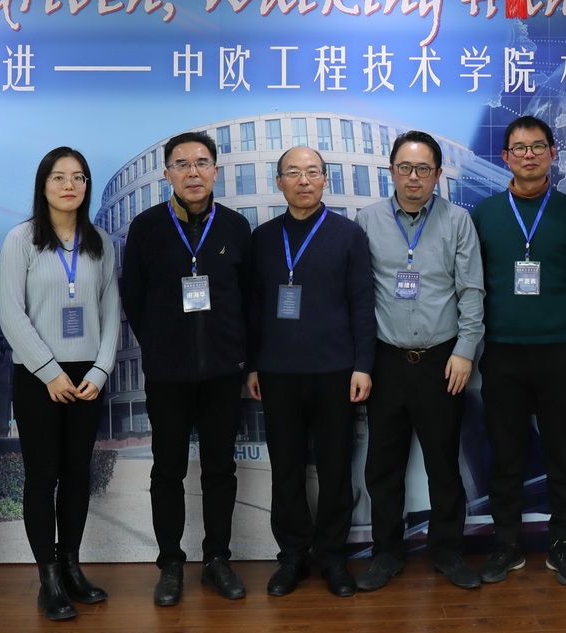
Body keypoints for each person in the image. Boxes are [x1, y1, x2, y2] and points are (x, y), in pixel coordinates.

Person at [120, 131, 252, 607]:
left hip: (223, 373)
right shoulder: (146, 227)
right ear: (167, 174)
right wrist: (160, 346)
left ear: (215, 170)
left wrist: (240, 357)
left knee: (220, 469)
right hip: (167, 375)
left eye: (201, 163)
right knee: (167, 471)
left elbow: (248, 299)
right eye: (182, 164)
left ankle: (217, 559)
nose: (192, 172)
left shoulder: (235, 226)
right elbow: (134, 297)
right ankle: (171, 563)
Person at [471, 115, 566, 588]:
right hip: (502, 353)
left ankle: (563, 543)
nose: (528, 155)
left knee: (562, 453)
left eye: (537, 146)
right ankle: (506, 544)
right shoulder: (484, 214)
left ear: (552, 153)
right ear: (505, 157)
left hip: (558, 352)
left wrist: (552, 315)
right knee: (505, 454)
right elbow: (474, 281)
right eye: (519, 148)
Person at [354, 130, 484, 591]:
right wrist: (362, 362)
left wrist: (465, 352)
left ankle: (448, 552)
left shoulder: (457, 221)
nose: (414, 177)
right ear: (391, 171)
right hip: (386, 361)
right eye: (405, 168)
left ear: (437, 174)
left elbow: (471, 291)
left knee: (443, 464)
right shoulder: (367, 221)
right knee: (383, 467)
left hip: (441, 362)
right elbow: (358, 296)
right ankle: (386, 554)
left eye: (423, 169)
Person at [0, 147, 121, 620]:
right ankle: (48, 578)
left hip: (88, 377)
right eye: (59, 177)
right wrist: (49, 371)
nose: (70, 185)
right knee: (42, 476)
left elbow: (111, 312)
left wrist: (101, 371)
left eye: (79, 177)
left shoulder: (100, 242)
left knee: (76, 475)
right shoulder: (21, 239)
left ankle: (71, 566)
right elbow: (11, 314)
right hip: (37, 376)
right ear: (43, 184)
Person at [246, 147, 375, 598]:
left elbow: (363, 303)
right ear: (279, 182)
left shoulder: (348, 234)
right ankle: (293, 556)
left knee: (336, 469)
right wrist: (253, 363)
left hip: (335, 371)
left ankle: (333, 557)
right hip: (277, 372)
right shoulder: (263, 238)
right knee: (286, 469)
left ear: (325, 180)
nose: (304, 180)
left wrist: (363, 365)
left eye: (312, 172)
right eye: (293, 173)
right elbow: (254, 307)